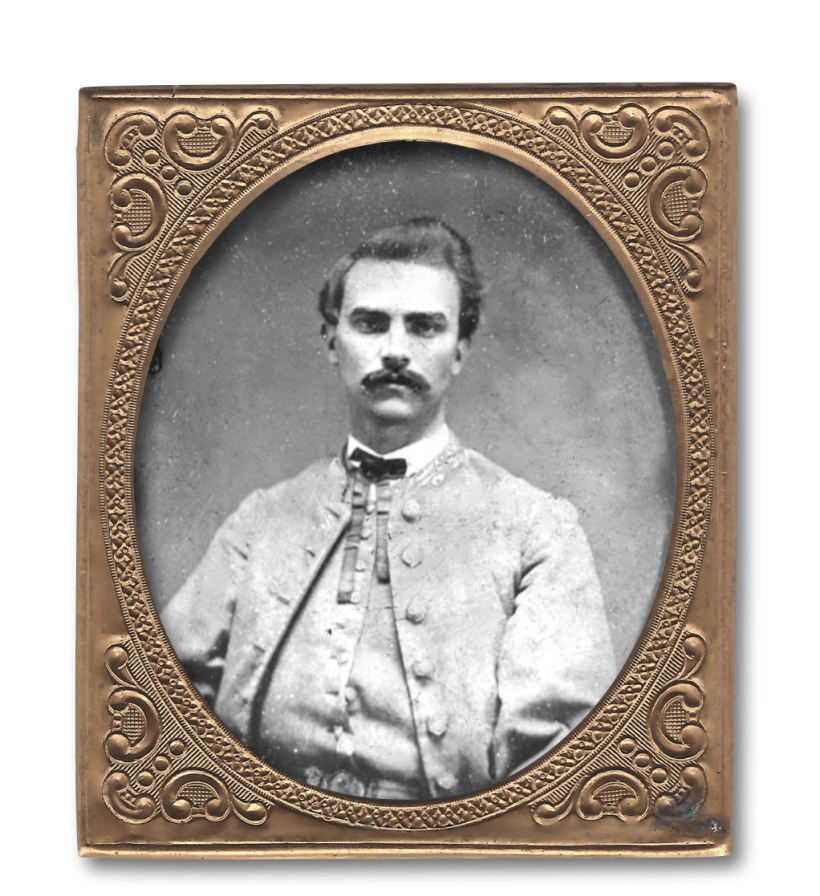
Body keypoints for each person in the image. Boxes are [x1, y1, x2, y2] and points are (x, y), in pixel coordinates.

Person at [162, 217, 615, 801]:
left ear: (460, 349)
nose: (396, 351)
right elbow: (164, 705)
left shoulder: (536, 530)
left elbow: (558, 768)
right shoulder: (260, 522)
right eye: (371, 324)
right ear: (332, 341)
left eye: (425, 327)